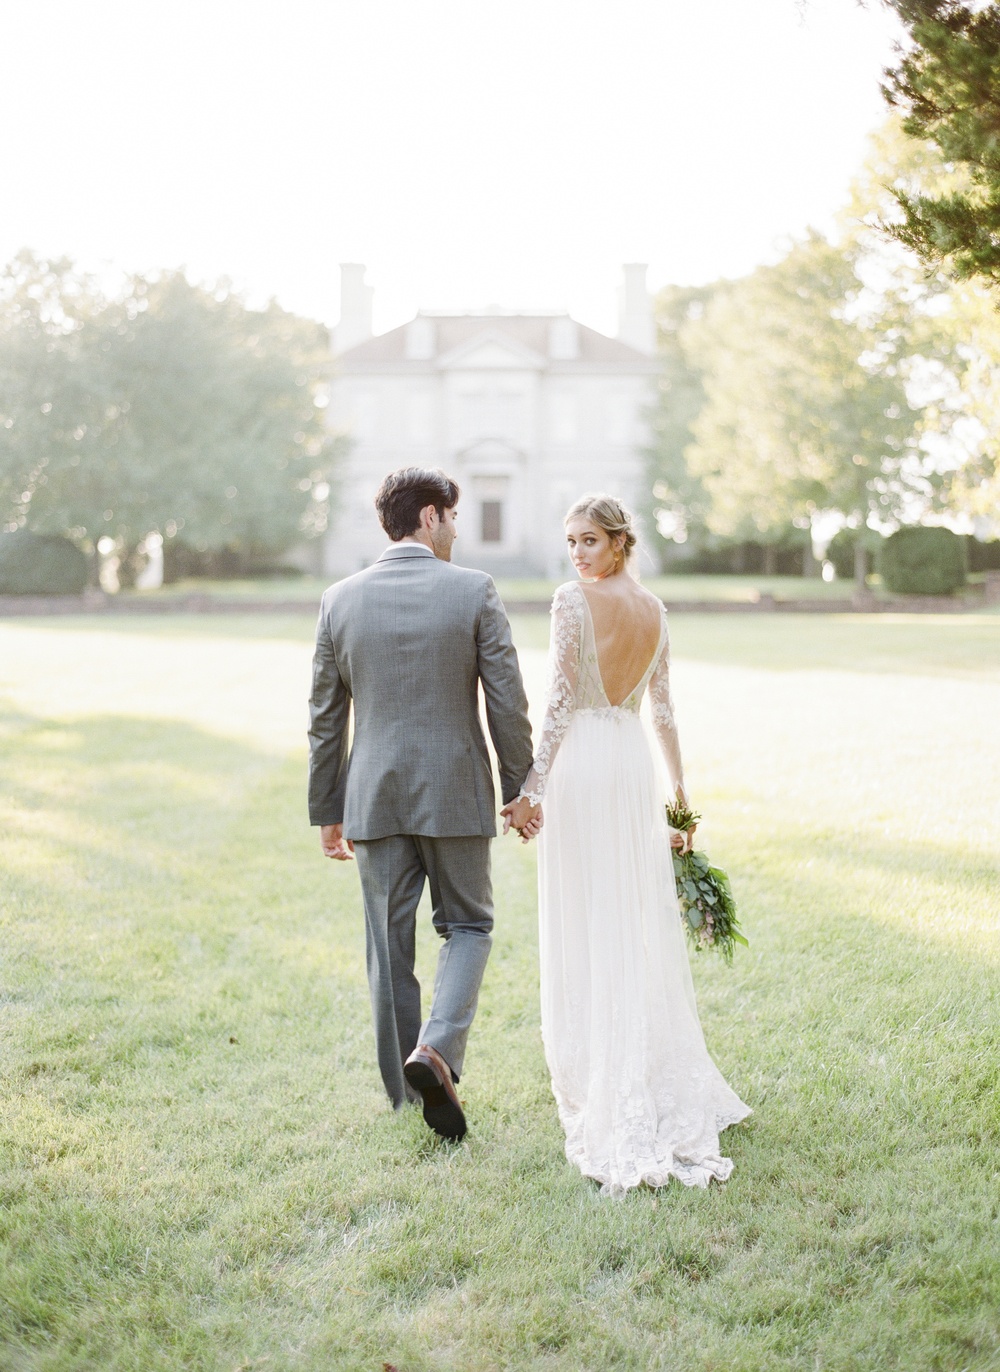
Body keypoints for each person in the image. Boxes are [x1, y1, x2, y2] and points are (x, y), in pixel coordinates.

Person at [517, 494, 750, 1195]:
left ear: (620, 543)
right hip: (627, 764)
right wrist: (675, 790)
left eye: (590, 541)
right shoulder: (655, 611)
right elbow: (663, 711)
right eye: (571, 543)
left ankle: (601, 1070)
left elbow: (559, 700)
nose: (578, 554)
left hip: (585, 765)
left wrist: (532, 784)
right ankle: (625, 1059)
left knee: (588, 914)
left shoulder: (569, 603)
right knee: (621, 912)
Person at [308, 467, 539, 1142]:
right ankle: (434, 1050)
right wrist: (522, 789)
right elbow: (507, 701)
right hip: (456, 789)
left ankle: (406, 1100)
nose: (458, 533)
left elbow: (325, 719)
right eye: (454, 519)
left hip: (371, 795)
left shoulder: (338, 599)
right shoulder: (473, 590)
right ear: (432, 517)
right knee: (467, 927)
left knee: (388, 945)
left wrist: (329, 806)